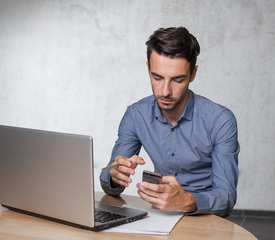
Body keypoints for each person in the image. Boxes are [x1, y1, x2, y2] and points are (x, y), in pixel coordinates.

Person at [99, 26, 239, 217]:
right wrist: (115, 177)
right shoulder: (136, 115)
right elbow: (109, 181)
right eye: (157, 77)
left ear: (193, 74)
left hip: (207, 219)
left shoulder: (221, 120)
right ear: (148, 68)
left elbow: (226, 196)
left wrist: (188, 201)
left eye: (178, 80)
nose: (165, 91)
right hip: (160, 217)